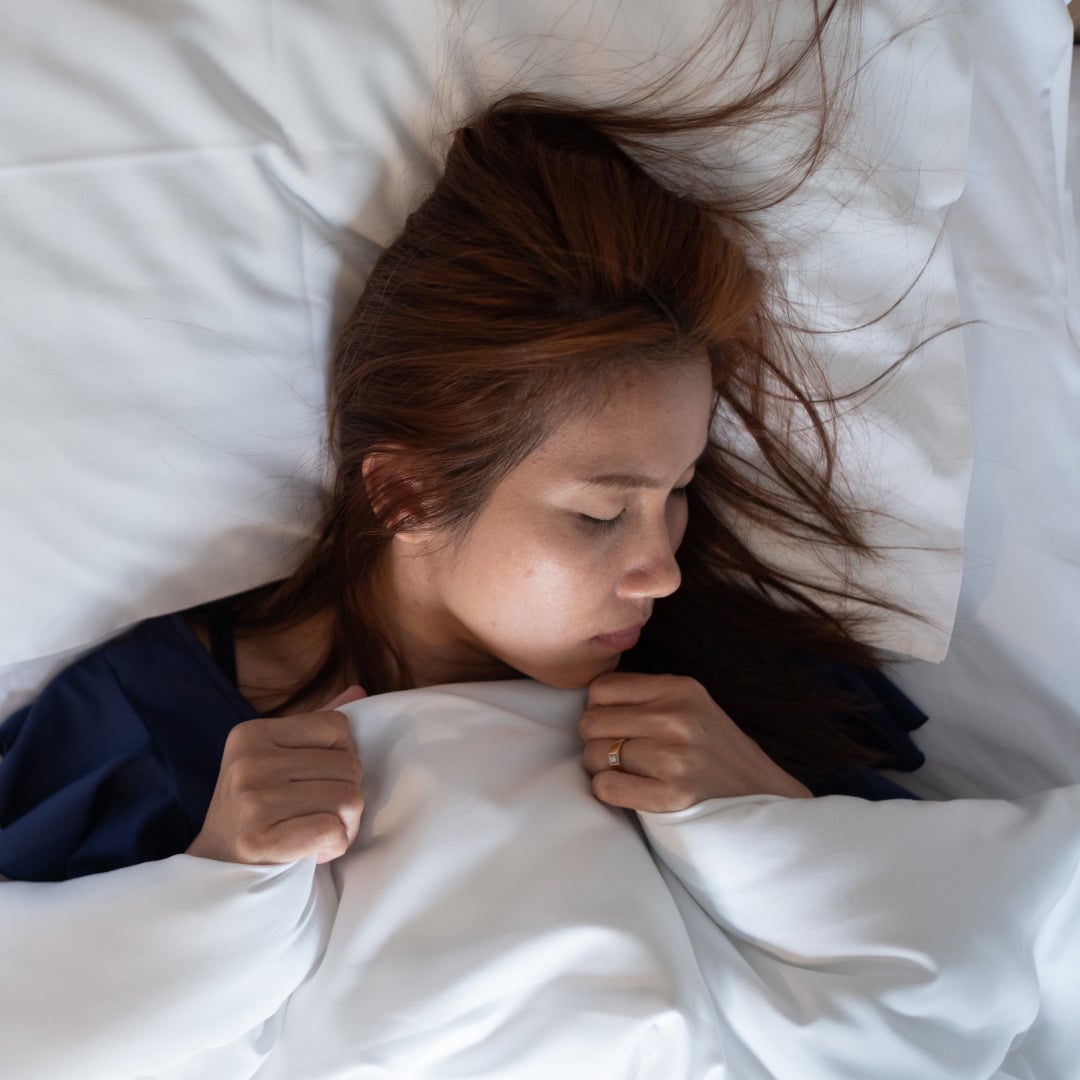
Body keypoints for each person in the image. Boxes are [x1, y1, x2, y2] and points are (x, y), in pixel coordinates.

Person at [0, 3, 927, 883]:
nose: (664, 568)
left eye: (678, 491)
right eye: (603, 511)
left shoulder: (736, 697)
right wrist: (207, 885)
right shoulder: (129, 735)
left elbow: (977, 948)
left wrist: (778, 814)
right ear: (406, 494)